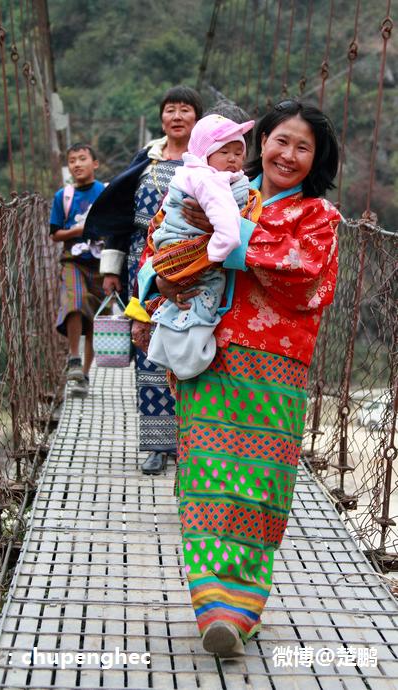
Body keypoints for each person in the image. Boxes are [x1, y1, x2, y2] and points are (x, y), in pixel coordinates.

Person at [138, 99, 340, 655]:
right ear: (261, 143)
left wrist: (218, 248)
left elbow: (306, 279)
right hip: (209, 362)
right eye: (280, 141)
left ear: (316, 159)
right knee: (206, 485)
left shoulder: (318, 217)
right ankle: (213, 608)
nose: (289, 155)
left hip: (275, 371)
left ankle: (240, 606)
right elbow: (160, 244)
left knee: (259, 489)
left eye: (304, 147)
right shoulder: (215, 188)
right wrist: (162, 284)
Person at [84, 85, 203, 475]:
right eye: (170, 109)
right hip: (142, 264)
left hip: (193, 266)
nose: (177, 116)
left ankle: (191, 443)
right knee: (147, 348)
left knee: (191, 348)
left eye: (185, 110)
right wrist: (112, 271)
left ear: (196, 119)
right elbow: (120, 219)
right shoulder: (146, 162)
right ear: (161, 118)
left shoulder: (207, 162)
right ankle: (157, 444)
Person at [141, 114, 260, 380]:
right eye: (223, 151)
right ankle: (180, 356)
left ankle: (174, 354)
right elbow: (154, 242)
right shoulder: (212, 184)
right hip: (198, 306)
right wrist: (160, 280)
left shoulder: (231, 187)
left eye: (238, 151)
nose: (232, 159)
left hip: (248, 357)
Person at [50, 143, 106, 395]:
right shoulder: (63, 196)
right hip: (72, 261)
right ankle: (73, 357)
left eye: (83, 159)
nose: (77, 164)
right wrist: (79, 231)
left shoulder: (106, 193)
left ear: (95, 164)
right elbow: (55, 234)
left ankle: (83, 375)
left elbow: (114, 225)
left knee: (94, 319)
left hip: (102, 264)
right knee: (75, 300)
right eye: (72, 160)